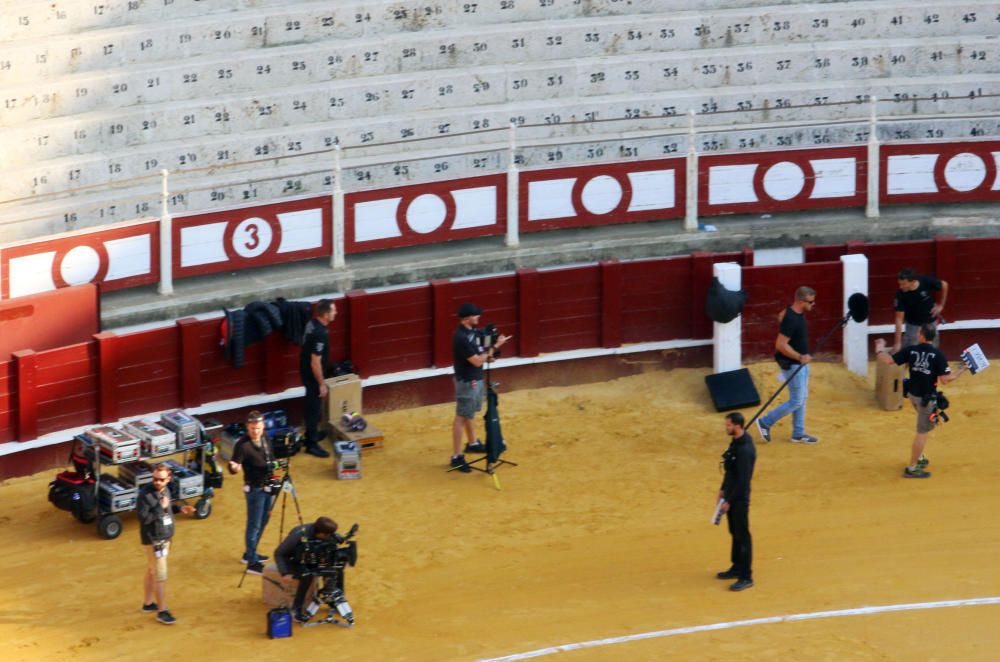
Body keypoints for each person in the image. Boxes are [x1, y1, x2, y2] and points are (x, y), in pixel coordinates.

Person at [876, 325, 963, 478]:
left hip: (913, 395)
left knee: (925, 425)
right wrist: (963, 369)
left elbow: (888, 361)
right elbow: (946, 380)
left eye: (918, 332)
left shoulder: (911, 350)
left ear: (922, 335)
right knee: (923, 432)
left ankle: (918, 458)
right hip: (926, 399)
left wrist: (879, 349)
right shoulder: (938, 355)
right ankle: (912, 467)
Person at [450, 302, 511, 472]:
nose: (479, 317)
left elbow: (483, 348)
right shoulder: (461, 337)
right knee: (462, 415)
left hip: (475, 378)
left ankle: (473, 443)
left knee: (469, 413)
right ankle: (456, 457)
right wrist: (496, 346)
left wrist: (493, 345)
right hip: (467, 381)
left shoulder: (472, 333)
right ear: (467, 318)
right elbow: (477, 360)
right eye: (476, 315)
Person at [756, 286, 819, 444]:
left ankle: (798, 433)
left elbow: (780, 316)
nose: (813, 304)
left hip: (799, 364)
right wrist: (800, 357)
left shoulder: (791, 313)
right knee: (797, 400)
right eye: (811, 302)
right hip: (794, 365)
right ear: (800, 301)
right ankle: (765, 422)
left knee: (801, 399)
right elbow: (781, 345)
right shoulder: (791, 319)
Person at [137, 463, 195, 625]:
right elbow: (143, 519)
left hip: (165, 537)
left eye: (161, 479)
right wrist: (159, 508)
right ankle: (162, 611)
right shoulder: (145, 495)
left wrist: (179, 509)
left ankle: (148, 603)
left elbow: (166, 508)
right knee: (160, 575)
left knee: (151, 570)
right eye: (155, 478)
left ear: (168, 479)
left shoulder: (165, 490)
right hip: (154, 540)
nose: (157, 482)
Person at [229, 410, 278, 574]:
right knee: (254, 525)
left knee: (264, 521)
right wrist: (234, 467)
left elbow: (271, 458)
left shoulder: (265, 439)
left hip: (267, 486)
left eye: (258, 428)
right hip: (255, 489)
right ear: (247, 427)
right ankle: (251, 562)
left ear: (263, 426)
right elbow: (233, 466)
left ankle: (250, 553)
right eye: (252, 428)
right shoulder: (242, 445)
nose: (255, 431)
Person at [716, 412, 756, 592]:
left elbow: (743, 480)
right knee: (734, 532)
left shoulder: (745, 449)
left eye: (729, 425)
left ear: (738, 426)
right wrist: (722, 489)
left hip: (739, 499)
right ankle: (736, 566)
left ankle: (746, 576)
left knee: (742, 535)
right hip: (731, 495)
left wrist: (729, 500)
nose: (727, 428)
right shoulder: (736, 443)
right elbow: (730, 471)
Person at [274, 516, 339, 622]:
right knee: (306, 575)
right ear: (321, 533)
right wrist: (284, 572)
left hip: (311, 557)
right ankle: (296, 608)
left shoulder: (324, 533)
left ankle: (332, 598)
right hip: (293, 559)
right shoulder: (298, 536)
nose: (329, 537)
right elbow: (279, 553)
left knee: (334, 569)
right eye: (327, 535)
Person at [299, 299, 335, 458]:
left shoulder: (312, 323)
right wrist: (321, 383)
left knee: (312, 405)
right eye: (333, 311)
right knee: (313, 408)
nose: (336, 313)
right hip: (312, 373)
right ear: (326, 314)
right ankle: (311, 444)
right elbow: (315, 361)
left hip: (306, 369)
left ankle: (311, 435)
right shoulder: (320, 332)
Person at [893, 268, 948, 352]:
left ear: (913, 281)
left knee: (932, 350)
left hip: (930, 321)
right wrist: (897, 343)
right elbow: (899, 319)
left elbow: (944, 284)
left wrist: (941, 305)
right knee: (910, 350)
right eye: (900, 284)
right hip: (913, 325)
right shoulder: (900, 295)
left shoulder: (925, 281)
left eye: (904, 284)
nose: (901, 287)